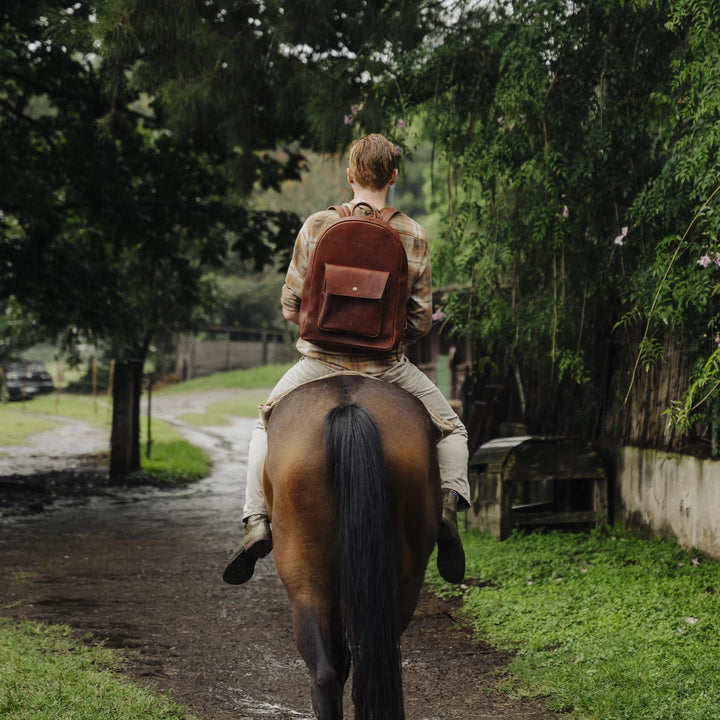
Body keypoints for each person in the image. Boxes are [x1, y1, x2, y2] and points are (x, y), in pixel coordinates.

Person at [223, 133, 471, 585]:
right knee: (453, 428)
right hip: (387, 367)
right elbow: (419, 321)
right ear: (393, 177)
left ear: (350, 175)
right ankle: (447, 511)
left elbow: (290, 306)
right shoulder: (413, 234)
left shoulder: (318, 225)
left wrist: (321, 328)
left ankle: (257, 520)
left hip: (318, 362)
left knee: (266, 422)